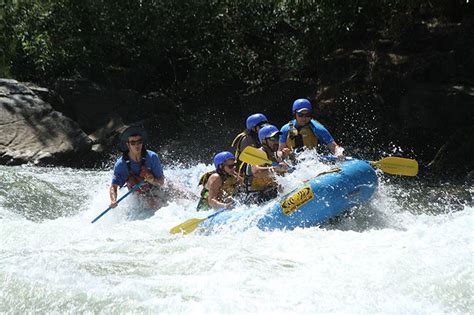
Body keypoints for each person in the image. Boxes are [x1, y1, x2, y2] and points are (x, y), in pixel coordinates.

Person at [109, 125, 165, 210]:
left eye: (139, 141)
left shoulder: (152, 157)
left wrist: (152, 180)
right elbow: (114, 187)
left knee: (178, 190)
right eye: (133, 142)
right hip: (140, 195)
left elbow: (161, 181)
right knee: (152, 202)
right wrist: (113, 200)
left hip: (156, 186)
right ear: (128, 145)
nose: (137, 145)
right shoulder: (121, 164)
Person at [278, 98, 344, 159]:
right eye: (300, 115)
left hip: (314, 161)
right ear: (294, 114)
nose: (304, 118)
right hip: (293, 162)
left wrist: (339, 153)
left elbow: (334, 146)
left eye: (307, 115)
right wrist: (283, 154)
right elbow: (279, 151)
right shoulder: (285, 129)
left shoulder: (318, 128)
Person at [244, 125, 290, 204]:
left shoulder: (276, 155)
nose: (276, 142)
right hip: (256, 200)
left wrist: (290, 156)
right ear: (264, 141)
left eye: (277, 138)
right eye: (272, 139)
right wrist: (276, 168)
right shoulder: (258, 154)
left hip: (272, 193)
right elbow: (257, 172)